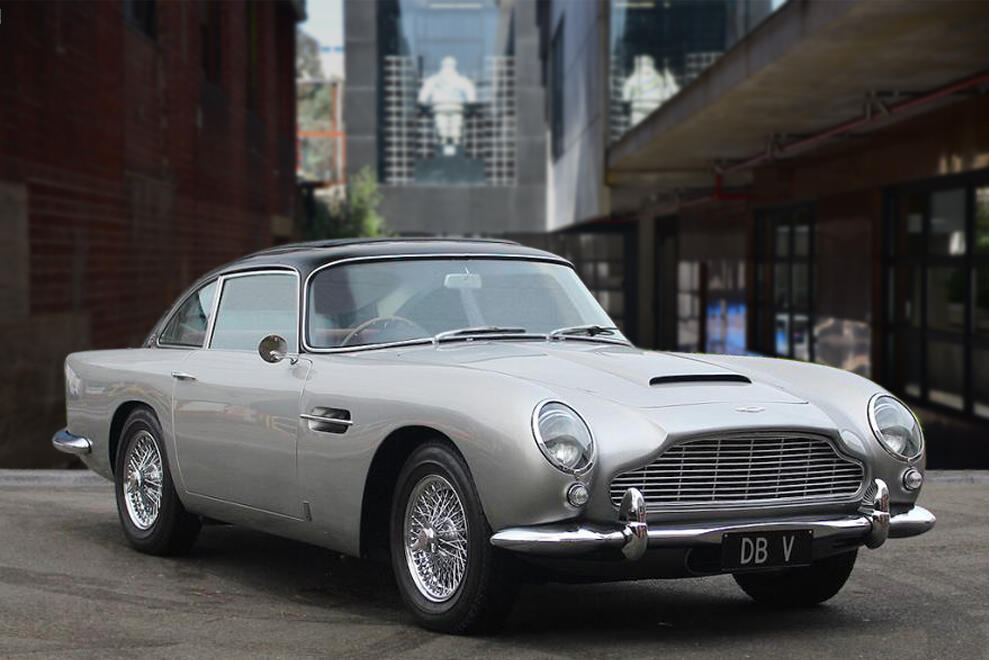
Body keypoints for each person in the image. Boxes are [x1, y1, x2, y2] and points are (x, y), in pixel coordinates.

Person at [418, 57, 477, 155]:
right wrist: (422, 103)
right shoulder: (435, 80)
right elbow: (425, 92)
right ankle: (445, 142)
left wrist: (471, 104)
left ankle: (454, 143)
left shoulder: (459, 80)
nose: (448, 67)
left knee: (455, 127)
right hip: (441, 107)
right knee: (442, 127)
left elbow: (470, 91)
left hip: (456, 107)